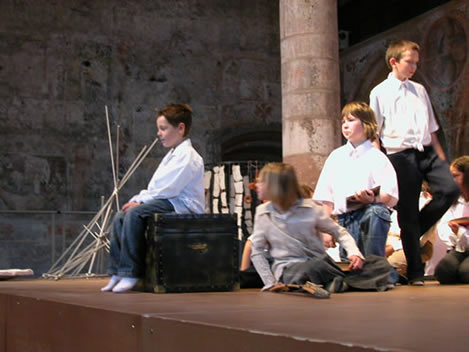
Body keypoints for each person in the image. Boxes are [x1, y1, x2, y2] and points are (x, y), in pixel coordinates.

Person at [369, 40, 460, 285]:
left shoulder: (419, 89)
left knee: (449, 189)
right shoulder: (379, 92)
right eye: (410, 62)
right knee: (407, 212)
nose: (414, 67)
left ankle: (414, 231)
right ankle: (416, 273)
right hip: (400, 155)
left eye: (416, 63)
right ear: (394, 62)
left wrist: (441, 159)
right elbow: (375, 133)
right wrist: (381, 164)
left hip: (426, 151)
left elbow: (431, 129)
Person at [101, 104, 205, 293]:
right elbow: (155, 187)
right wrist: (138, 198)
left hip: (182, 205)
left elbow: (169, 188)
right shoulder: (172, 155)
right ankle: (116, 272)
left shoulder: (189, 156)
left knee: (134, 214)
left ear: (180, 128)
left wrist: (140, 202)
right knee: (120, 216)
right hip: (168, 200)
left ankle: (131, 272)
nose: (159, 133)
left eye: (163, 129)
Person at [248, 162, 391, 296]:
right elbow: (257, 252)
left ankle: (336, 283)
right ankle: (345, 282)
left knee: (380, 263)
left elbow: (339, 232)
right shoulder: (262, 213)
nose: (257, 186)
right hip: (291, 270)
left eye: (262, 181)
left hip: (322, 264)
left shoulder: (310, 208)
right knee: (311, 267)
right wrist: (270, 283)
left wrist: (354, 253)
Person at [313, 102, 398, 260]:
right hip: (346, 220)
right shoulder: (336, 157)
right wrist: (325, 230)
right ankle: (383, 274)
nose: (345, 125)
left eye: (351, 120)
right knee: (353, 271)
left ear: (366, 124)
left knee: (376, 211)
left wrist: (373, 198)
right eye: (343, 121)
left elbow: (389, 194)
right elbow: (326, 198)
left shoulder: (377, 157)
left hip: (369, 216)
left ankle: (376, 265)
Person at [434, 156, 469, 284]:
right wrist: (456, 234)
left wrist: (461, 233)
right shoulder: (453, 200)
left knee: (466, 273)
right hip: (460, 247)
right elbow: (443, 226)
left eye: (456, 176)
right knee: (443, 272)